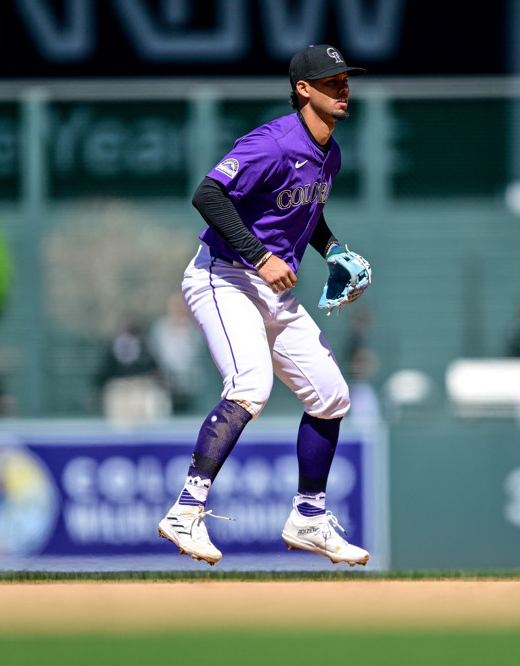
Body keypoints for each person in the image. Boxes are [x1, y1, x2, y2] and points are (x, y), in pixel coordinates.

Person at [157, 45, 371, 567]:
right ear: (304, 89)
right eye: (331, 81)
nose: (342, 87)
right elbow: (208, 195)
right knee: (250, 385)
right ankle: (185, 510)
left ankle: (309, 518)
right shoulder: (273, 143)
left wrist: (334, 250)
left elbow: (304, 214)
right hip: (222, 275)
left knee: (331, 395)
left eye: (345, 79)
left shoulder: (331, 153)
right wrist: (259, 256)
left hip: (269, 288)